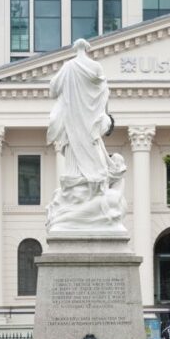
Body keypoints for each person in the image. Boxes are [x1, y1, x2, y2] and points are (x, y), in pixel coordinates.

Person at [45, 38, 127, 231]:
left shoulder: (67, 68)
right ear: (88, 49)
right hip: (89, 130)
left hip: (74, 127)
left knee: (79, 168)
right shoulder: (96, 67)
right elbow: (103, 91)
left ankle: (73, 210)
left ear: (75, 49)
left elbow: (53, 90)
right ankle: (81, 205)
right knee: (96, 170)